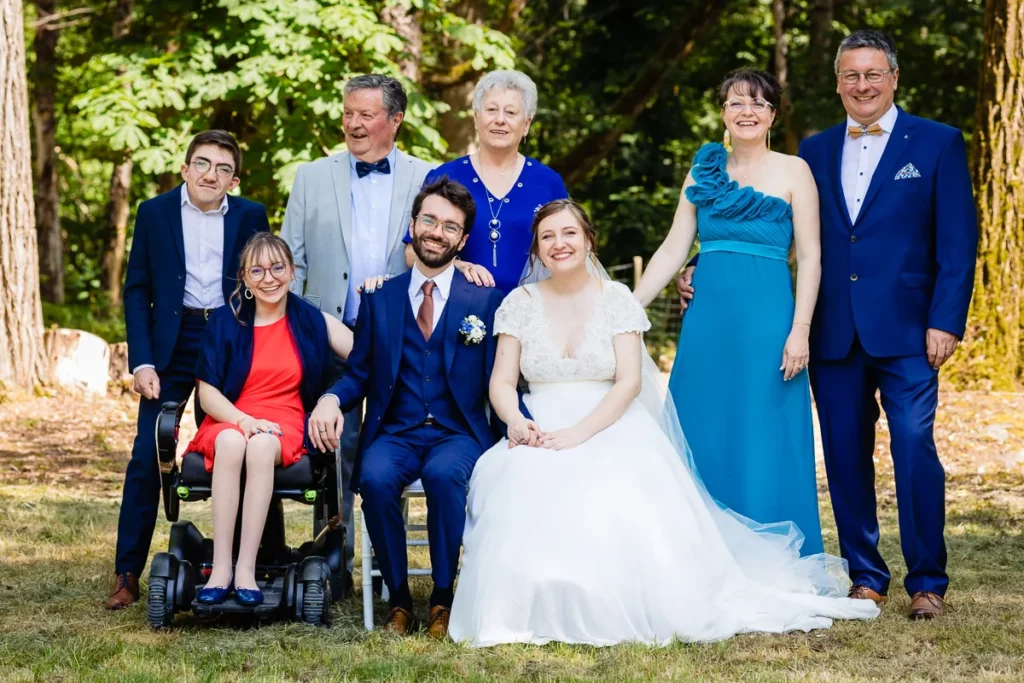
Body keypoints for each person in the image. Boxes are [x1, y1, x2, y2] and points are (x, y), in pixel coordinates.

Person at [448, 199, 878, 647]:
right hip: (539, 423)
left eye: (569, 233)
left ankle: (620, 601)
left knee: (614, 488)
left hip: (611, 420)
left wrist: (580, 433)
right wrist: (516, 421)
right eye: (548, 237)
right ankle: (535, 604)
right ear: (535, 250)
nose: (559, 244)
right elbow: (501, 382)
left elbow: (629, 382)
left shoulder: (616, 298)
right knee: (517, 478)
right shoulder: (518, 303)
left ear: (588, 239)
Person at [678, 31, 978, 619]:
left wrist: (946, 320)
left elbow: (958, 244)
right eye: (850, 75)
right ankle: (865, 575)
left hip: (911, 330)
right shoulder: (810, 152)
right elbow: (771, 225)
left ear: (893, 78)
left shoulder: (938, 143)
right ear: (837, 83)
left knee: (915, 445)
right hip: (831, 331)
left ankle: (927, 581)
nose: (861, 85)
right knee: (843, 455)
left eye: (872, 74)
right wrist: (701, 265)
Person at [633, 70, 826, 555]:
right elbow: (675, 247)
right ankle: (698, 548)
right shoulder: (703, 172)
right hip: (708, 325)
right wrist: (627, 307)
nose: (747, 111)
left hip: (769, 323)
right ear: (722, 111)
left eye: (758, 104)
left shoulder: (794, 171)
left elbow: (812, 257)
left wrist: (800, 329)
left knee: (764, 430)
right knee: (702, 423)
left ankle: (771, 545)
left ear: (773, 115)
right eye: (737, 102)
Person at [308, 177, 503, 639]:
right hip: (395, 431)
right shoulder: (380, 299)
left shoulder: (485, 300)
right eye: (429, 220)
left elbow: (500, 376)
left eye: (450, 226)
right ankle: (397, 598)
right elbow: (359, 371)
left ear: (463, 239)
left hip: (457, 433)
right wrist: (331, 398)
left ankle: (442, 596)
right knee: (373, 479)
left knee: (442, 476)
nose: (437, 232)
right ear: (413, 225)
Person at [106, 130, 269, 610]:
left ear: (233, 179)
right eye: (202, 163)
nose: (210, 175)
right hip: (170, 346)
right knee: (144, 455)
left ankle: (249, 563)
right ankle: (127, 572)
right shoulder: (153, 213)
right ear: (184, 168)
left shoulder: (249, 215)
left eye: (222, 169)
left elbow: (262, 279)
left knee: (242, 445)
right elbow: (137, 289)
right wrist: (142, 361)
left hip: (228, 341)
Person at [281, 74, 435, 584]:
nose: (353, 123)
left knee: (391, 444)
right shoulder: (311, 176)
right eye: (348, 112)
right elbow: (292, 262)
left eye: (366, 114)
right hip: (325, 333)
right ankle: (334, 559)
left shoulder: (427, 176)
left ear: (395, 120)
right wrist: (300, 329)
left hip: (400, 340)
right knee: (331, 445)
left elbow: (437, 252)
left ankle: (391, 561)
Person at [185, 233, 353, 605]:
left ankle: (245, 569)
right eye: (257, 270)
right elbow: (207, 393)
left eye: (278, 267)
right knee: (231, 442)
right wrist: (242, 420)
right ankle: (222, 568)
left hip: (285, 421)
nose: (269, 278)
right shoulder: (225, 322)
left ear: (292, 271)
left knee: (261, 446)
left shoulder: (311, 320)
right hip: (232, 415)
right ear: (244, 278)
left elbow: (363, 361)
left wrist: (331, 399)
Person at [402, 70, 569, 295]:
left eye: (511, 112)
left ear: (526, 124)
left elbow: (572, 253)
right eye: (491, 110)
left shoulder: (548, 182)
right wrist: (455, 266)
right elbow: (412, 254)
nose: (500, 119)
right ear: (476, 117)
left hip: (534, 312)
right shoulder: (445, 176)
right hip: (457, 309)